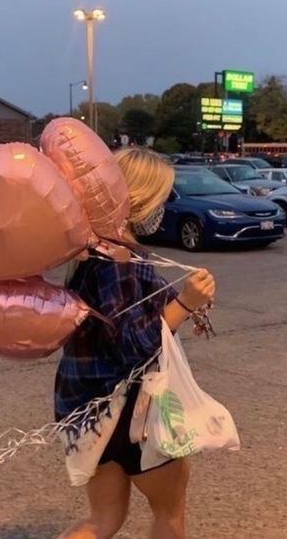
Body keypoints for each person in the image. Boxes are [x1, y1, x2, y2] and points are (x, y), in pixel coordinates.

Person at [55, 148, 216, 539]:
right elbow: (134, 344)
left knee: (104, 519)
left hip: (85, 406)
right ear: (140, 198)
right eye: (162, 195)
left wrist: (181, 306)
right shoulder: (118, 257)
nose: (164, 205)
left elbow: (121, 323)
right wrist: (185, 302)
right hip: (131, 409)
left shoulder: (89, 251)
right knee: (169, 514)